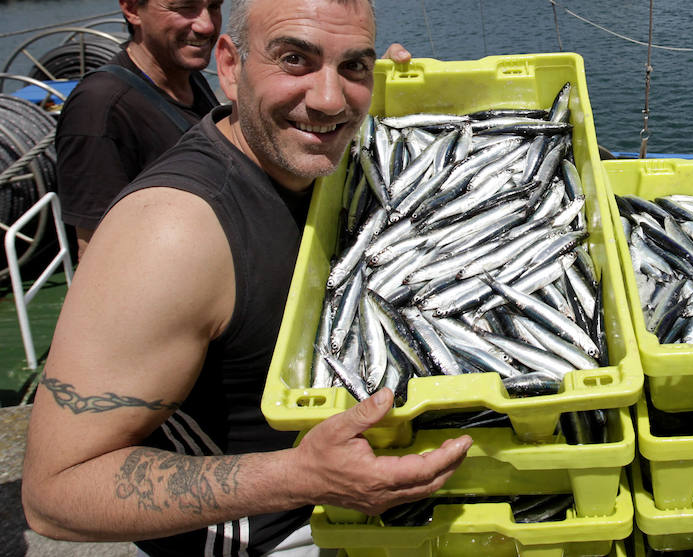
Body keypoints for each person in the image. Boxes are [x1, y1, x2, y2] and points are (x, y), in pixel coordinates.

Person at [21, 0, 468, 555]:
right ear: (230, 67)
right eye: (294, 60)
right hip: (274, 535)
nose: (329, 99)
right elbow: (55, 493)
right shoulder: (172, 231)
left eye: (353, 66)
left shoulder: (307, 157)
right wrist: (298, 476)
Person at [55, 0, 224, 260]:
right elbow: (96, 254)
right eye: (184, 7)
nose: (207, 25)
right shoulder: (100, 108)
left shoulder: (188, 77)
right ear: (133, 9)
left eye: (214, 6)